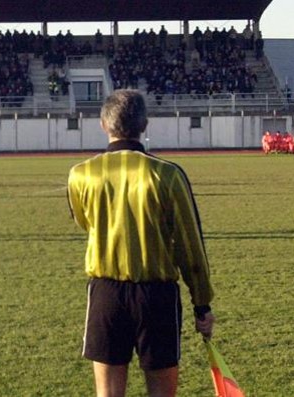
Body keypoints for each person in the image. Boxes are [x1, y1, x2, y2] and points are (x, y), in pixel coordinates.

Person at [67, 90, 215, 397]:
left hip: (106, 293)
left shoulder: (81, 174)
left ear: (102, 124)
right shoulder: (168, 175)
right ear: (144, 124)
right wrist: (202, 303)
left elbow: (85, 223)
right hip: (156, 296)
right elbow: (190, 246)